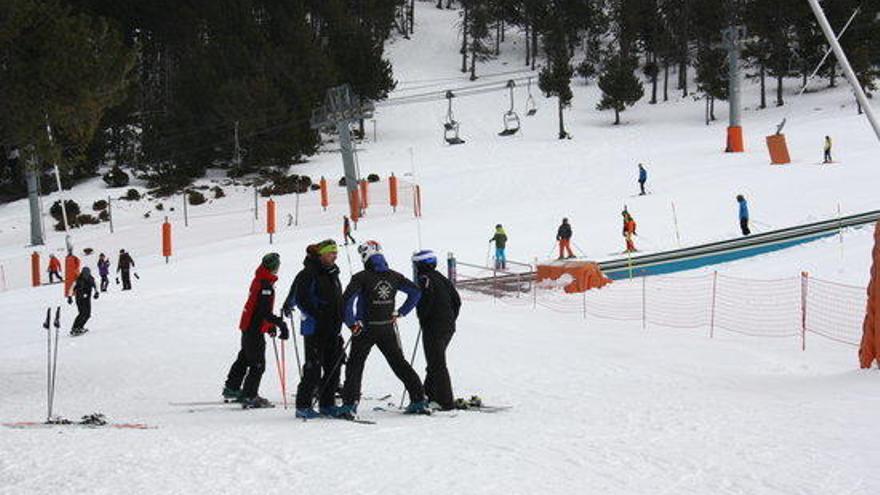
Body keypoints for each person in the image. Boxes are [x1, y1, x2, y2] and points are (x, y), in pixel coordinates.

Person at [335, 241, 428, 419]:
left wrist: (351, 323)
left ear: (365, 257)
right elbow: (415, 292)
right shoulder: (394, 276)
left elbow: (346, 302)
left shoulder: (360, 277)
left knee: (355, 367)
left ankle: (349, 405)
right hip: (386, 327)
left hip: (364, 329)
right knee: (399, 363)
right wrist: (401, 312)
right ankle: (418, 399)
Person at [282, 240, 345, 419]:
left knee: (333, 367)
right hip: (314, 329)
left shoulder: (333, 273)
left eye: (336, 253)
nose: (335, 256)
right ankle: (303, 405)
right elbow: (302, 299)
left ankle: (327, 404)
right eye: (331, 253)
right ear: (321, 254)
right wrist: (319, 315)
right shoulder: (308, 273)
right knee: (313, 368)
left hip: (333, 328)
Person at [223, 253, 289, 408]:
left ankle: (232, 388)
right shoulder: (266, 285)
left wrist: (269, 326)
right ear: (273, 267)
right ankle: (250, 395)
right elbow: (263, 312)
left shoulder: (260, 279)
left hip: (248, 325)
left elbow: (257, 308)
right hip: (254, 328)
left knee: (245, 357)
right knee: (258, 363)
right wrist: (279, 324)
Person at [412, 250, 461, 411]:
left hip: (433, 327)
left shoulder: (424, 279)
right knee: (434, 361)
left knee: (437, 363)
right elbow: (457, 300)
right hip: (447, 327)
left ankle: (445, 401)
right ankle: (428, 394)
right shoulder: (442, 278)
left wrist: (423, 317)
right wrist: (451, 318)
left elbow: (425, 301)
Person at [68, 267, 98, 336]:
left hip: (87, 298)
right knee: (82, 313)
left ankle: (80, 327)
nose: (86, 275)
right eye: (85, 273)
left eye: (87, 273)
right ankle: (74, 328)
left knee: (88, 314)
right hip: (79, 298)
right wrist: (70, 297)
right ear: (82, 273)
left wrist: (97, 293)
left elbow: (96, 285)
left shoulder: (91, 279)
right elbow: (72, 288)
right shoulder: (78, 280)